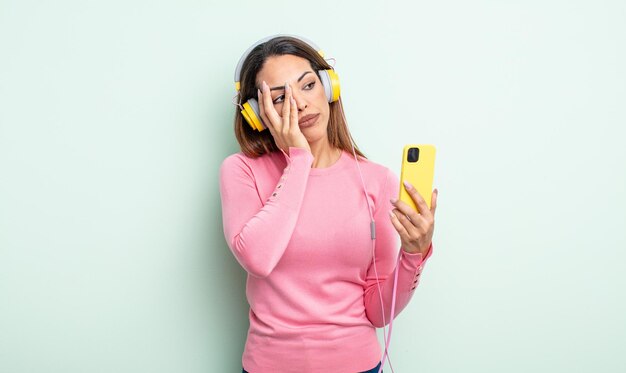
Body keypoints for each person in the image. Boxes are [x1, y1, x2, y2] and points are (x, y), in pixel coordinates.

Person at [219, 35, 438, 373]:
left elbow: (377, 312)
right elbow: (258, 259)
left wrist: (414, 254)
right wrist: (299, 160)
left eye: (307, 86)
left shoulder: (376, 180)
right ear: (257, 114)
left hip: (358, 365)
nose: (301, 104)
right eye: (280, 98)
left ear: (329, 87)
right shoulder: (241, 171)